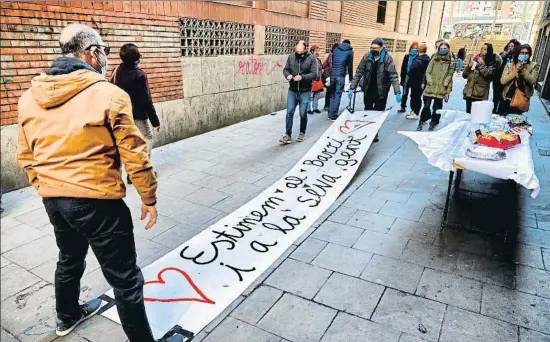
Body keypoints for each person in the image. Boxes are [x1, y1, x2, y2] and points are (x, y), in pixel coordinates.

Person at [16, 24, 182, 342]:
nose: (105, 59)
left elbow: (25, 154)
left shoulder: (28, 98)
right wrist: (149, 197)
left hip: (54, 200)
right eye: (104, 51)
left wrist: (44, 187)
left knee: (69, 257)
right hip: (98, 202)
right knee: (125, 279)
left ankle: (66, 317)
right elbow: (134, 155)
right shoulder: (108, 94)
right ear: (92, 53)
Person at [110, 43, 160, 184]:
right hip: (138, 115)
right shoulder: (140, 75)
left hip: (121, 114)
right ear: (136, 57)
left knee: (129, 144)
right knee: (147, 138)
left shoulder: (116, 71)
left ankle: (132, 174)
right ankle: (144, 172)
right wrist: (155, 121)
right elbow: (147, 100)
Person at [349, 38, 401, 142]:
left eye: (376, 48)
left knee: (378, 112)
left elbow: (393, 75)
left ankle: (374, 133)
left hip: (381, 91)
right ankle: (367, 130)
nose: (373, 49)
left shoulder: (387, 58)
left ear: (381, 48)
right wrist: (352, 87)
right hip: (368, 89)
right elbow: (359, 71)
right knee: (367, 110)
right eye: (371, 47)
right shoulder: (367, 56)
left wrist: (397, 91)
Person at [280, 41, 317, 144]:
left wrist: (302, 77)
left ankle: (302, 132)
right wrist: (287, 75)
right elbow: (285, 69)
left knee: (302, 113)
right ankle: (288, 135)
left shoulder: (311, 58)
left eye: (300, 52)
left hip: (305, 91)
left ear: (305, 50)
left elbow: (314, 74)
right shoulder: (291, 57)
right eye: (297, 51)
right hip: (292, 89)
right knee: (289, 112)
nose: (298, 53)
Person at [418, 42, 455, 131]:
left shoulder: (452, 60)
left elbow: (450, 74)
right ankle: (422, 120)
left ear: (448, 49)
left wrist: (445, 83)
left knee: (437, 108)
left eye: (445, 48)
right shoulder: (434, 57)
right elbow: (428, 71)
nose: (442, 50)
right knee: (426, 106)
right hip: (431, 86)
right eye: (441, 48)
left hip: (441, 87)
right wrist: (429, 81)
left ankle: (433, 122)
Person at [462, 43, 502, 113]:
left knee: (477, 116)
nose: (482, 50)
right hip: (469, 92)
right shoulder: (474, 59)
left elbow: (486, 74)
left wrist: (481, 64)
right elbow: (464, 75)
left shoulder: (492, 62)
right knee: (468, 114)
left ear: (489, 51)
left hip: (480, 94)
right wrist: (469, 66)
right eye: (481, 48)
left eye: (485, 49)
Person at [500, 44, 540, 114]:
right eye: (522, 53)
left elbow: (533, 81)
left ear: (529, 54)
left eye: (526, 53)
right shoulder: (510, 65)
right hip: (507, 97)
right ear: (518, 53)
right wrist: (515, 71)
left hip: (521, 99)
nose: (524, 55)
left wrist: (523, 70)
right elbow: (503, 81)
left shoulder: (533, 65)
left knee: (517, 122)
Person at [327, 39, 354, 120]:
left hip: (333, 74)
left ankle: (330, 113)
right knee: (338, 94)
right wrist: (351, 79)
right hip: (341, 75)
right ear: (349, 44)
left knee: (332, 94)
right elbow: (350, 66)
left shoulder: (336, 49)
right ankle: (334, 115)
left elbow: (333, 62)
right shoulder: (350, 51)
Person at [494, 39, 521, 114]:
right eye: (509, 46)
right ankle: (494, 110)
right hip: (498, 79)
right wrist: (505, 54)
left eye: (512, 46)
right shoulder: (503, 54)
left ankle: (501, 111)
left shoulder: (516, 57)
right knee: (496, 97)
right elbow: (496, 62)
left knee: (504, 97)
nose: (510, 47)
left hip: (507, 80)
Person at [405, 43, 431, 120]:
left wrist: (409, 74)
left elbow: (413, 69)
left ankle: (416, 113)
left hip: (416, 81)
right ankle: (414, 111)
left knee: (415, 97)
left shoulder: (419, 59)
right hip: (421, 81)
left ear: (418, 49)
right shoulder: (427, 58)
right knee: (415, 96)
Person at [398, 41, 419, 114]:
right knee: (404, 93)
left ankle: (413, 109)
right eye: (413, 48)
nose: (414, 49)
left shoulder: (418, 57)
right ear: (410, 48)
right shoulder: (407, 56)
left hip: (414, 78)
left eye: (416, 48)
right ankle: (403, 107)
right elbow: (403, 67)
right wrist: (402, 77)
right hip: (406, 77)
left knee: (413, 94)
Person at [322, 43, 339, 111]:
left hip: (333, 75)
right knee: (329, 91)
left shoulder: (337, 55)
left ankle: (330, 105)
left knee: (332, 91)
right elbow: (332, 66)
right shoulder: (331, 55)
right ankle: (327, 105)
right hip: (329, 76)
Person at [307, 44, 324, 114]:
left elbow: (320, 69)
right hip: (311, 80)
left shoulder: (319, 60)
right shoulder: (309, 59)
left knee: (316, 95)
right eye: (316, 51)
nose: (317, 52)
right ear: (312, 51)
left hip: (318, 80)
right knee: (310, 96)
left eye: (318, 51)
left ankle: (315, 108)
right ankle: (308, 109)